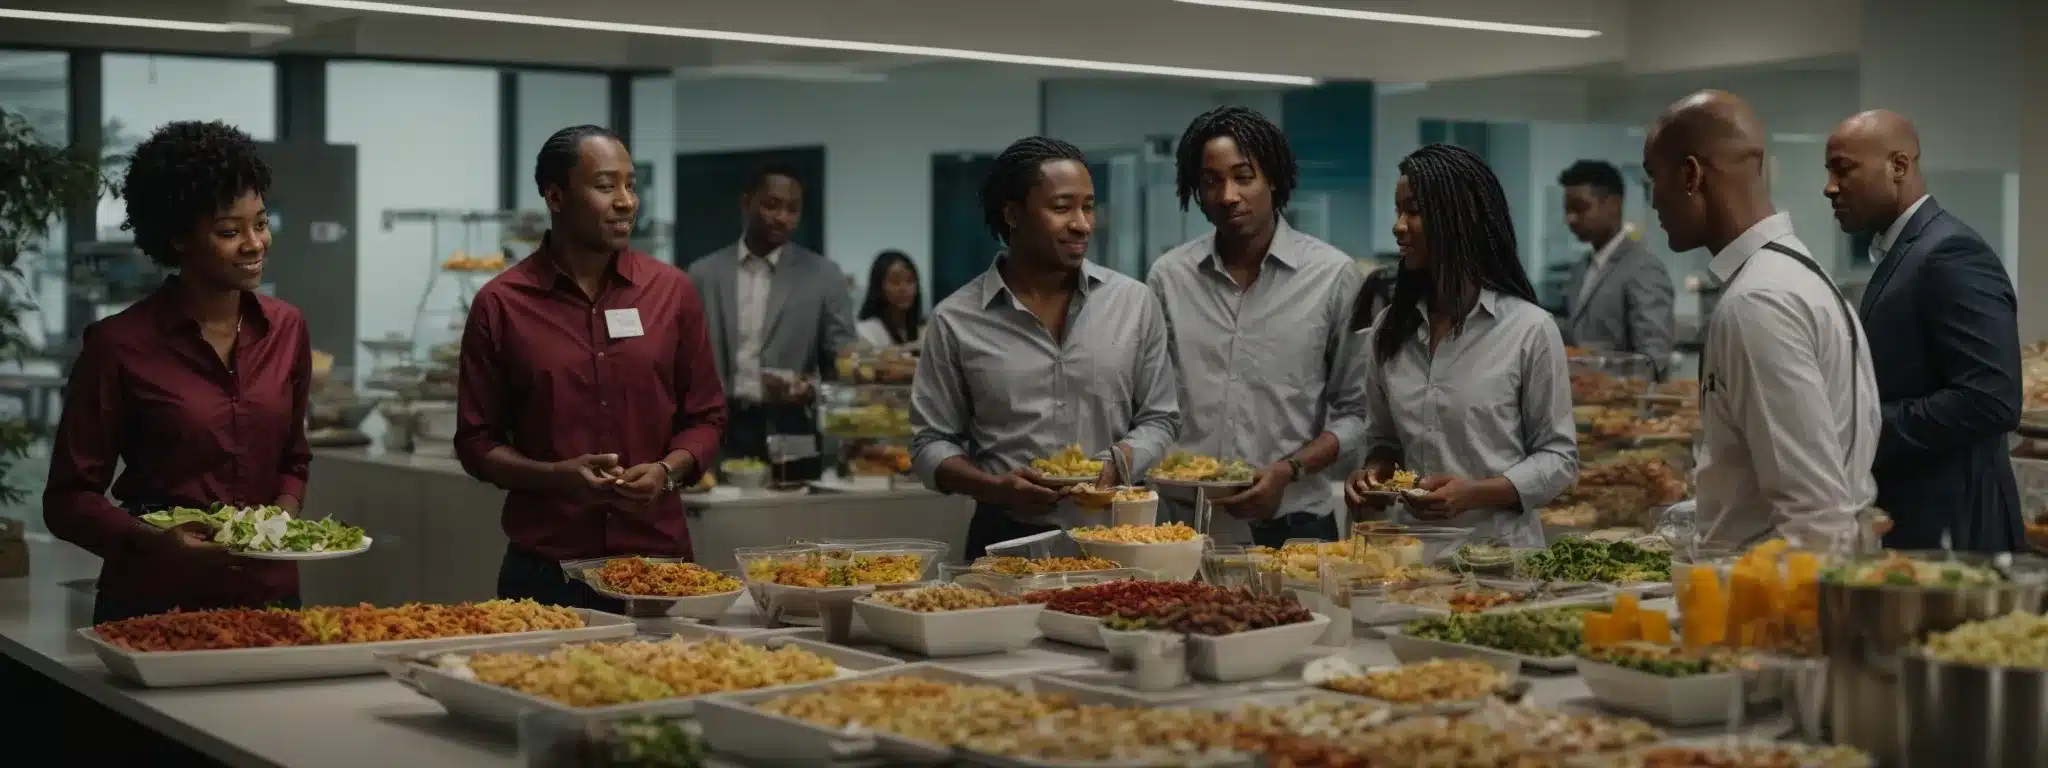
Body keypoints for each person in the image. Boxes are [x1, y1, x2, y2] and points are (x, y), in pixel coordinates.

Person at [44, 121, 314, 623]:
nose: (254, 243)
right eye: (230, 231)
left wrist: (281, 517)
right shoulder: (118, 346)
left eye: (261, 222)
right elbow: (67, 499)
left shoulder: (287, 328)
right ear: (178, 238)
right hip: (155, 600)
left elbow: (294, 460)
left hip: (270, 597)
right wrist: (149, 540)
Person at [456, 125, 726, 610]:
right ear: (555, 196)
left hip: (658, 570)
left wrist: (667, 470)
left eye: (631, 185)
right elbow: (476, 444)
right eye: (606, 186)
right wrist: (556, 475)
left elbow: (706, 417)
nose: (626, 201)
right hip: (545, 574)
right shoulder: (500, 304)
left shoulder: (672, 292)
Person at [910, 137, 1180, 558]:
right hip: (1005, 537)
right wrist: (995, 488)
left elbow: (1160, 418)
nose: (1082, 224)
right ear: (1013, 214)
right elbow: (930, 443)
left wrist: (1117, 464)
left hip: (1121, 537)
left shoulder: (1134, 302)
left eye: (1088, 206)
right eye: (1061, 208)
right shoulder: (956, 319)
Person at [1643, 91, 1878, 548]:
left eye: (1652, 177)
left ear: (1691, 175)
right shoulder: (1792, 274)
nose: (1652, 201)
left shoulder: (1759, 301)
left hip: (1771, 604)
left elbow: (1815, 520)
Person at [1146, 106, 1369, 548]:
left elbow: (1358, 412)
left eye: (1243, 176)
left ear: (1274, 180)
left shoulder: (1332, 275)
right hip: (1185, 526)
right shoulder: (1168, 277)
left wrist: (1288, 471)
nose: (1228, 195)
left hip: (1296, 524)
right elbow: (1151, 405)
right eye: (1211, 181)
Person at [1341, 144, 1577, 547]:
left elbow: (1559, 459)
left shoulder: (1528, 329)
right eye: (1398, 211)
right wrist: (1373, 472)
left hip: (1498, 558)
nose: (1399, 226)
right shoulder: (1389, 330)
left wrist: (1473, 493)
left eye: (1413, 211)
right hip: (1407, 558)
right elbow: (1384, 439)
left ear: (1459, 219)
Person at [1824, 109, 2022, 552]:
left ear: (1899, 166)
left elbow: (1991, 400)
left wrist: (1862, 428)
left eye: (1843, 169)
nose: (1829, 187)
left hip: (1958, 533)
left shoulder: (1950, 251)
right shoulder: (1906, 251)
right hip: (1920, 524)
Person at [688, 165, 855, 478]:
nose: (782, 218)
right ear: (746, 203)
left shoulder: (823, 276)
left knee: (792, 519)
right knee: (723, 520)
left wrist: (811, 388)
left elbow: (842, 360)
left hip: (793, 425)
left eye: (793, 209)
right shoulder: (702, 275)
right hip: (720, 426)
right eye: (772, 205)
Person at [1556, 160, 1675, 373]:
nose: (1570, 219)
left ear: (1614, 204)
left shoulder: (1643, 267)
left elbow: (1654, 359)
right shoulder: (1581, 269)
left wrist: (1594, 368)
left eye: (1580, 208)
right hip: (1580, 401)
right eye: (1567, 210)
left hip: (1621, 402)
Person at [856, 249, 924, 349]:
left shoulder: (926, 330)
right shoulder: (865, 332)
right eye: (895, 281)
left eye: (910, 281)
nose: (904, 288)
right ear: (879, 287)